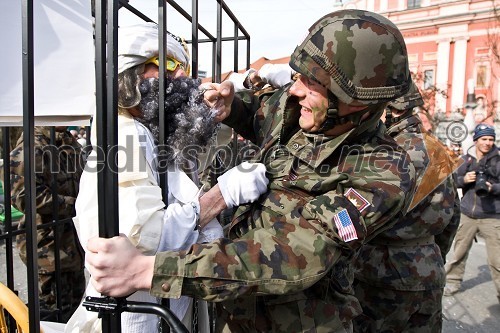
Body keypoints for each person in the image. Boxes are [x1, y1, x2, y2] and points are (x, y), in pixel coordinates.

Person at [86, 9, 416, 332]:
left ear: (353, 99)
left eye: (312, 83)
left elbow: (296, 255)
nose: (296, 90)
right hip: (228, 310)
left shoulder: (382, 174)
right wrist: (233, 109)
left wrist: (148, 271)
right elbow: (262, 115)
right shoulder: (300, 109)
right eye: (298, 76)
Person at [65, 23, 268, 333]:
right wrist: (218, 197)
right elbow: (139, 241)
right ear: (128, 74)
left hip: (166, 307)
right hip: (139, 316)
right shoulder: (126, 135)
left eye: (181, 68)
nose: (179, 78)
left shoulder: (148, 130)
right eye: (167, 65)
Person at [352, 82, 461, 332]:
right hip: (428, 272)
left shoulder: (383, 153)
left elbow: (359, 218)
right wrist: (431, 256)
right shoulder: (437, 149)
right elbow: (453, 215)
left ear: (393, 110)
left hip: (380, 275)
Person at [10, 126, 86, 322]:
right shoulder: (32, 146)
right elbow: (25, 196)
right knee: (52, 314)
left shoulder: (68, 142)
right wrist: (78, 204)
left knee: (76, 313)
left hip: (73, 245)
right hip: (48, 248)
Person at [444, 123, 500, 302]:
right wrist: (464, 179)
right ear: (476, 140)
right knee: (458, 253)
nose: (488, 143)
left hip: (492, 215)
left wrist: (493, 188)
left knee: (497, 261)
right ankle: (452, 282)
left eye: (491, 139)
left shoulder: (498, 160)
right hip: (467, 213)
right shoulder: (466, 159)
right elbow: (451, 181)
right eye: (484, 139)